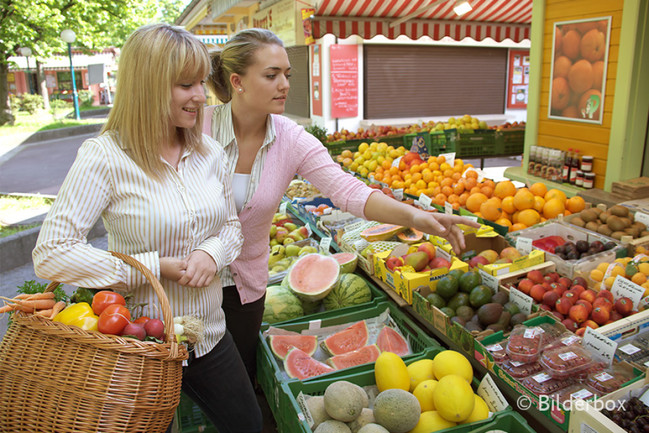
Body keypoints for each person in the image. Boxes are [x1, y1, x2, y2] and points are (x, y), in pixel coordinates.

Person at [204, 28, 481, 384]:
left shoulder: (291, 139)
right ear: (237, 81)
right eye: (271, 76)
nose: (285, 85)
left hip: (246, 288)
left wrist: (417, 216)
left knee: (237, 380)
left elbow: (349, 191)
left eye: (287, 75)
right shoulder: (199, 128)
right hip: (190, 283)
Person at [32, 23, 262, 433]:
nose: (200, 96)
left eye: (202, 83)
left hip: (207, 335)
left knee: (247, 423)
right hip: (139, 342)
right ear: (148, 85)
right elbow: (51, 253)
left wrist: (213, 253)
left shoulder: (207, 151)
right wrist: (154, 266)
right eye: (185, 84)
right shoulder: (104, 157)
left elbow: (230, 226)